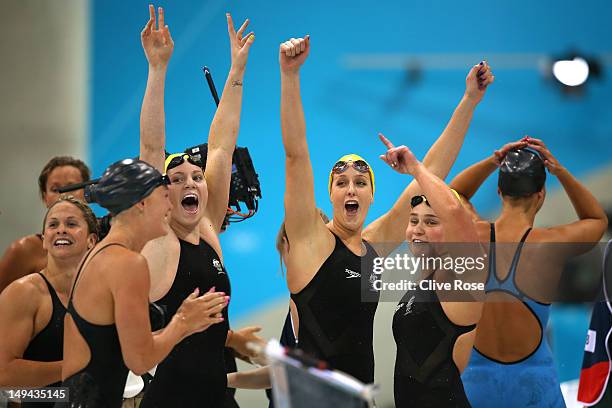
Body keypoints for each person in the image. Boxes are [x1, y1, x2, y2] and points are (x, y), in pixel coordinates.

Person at [279, 34, 494, 383]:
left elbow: (433, 171)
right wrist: (290, 77)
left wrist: (469, 101)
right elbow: (295, 156)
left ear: (371, 196)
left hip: (362, 397)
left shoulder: (372, 246)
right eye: (342, 182)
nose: (351, 188)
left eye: (361, 183)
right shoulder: (311, 243)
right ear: (330, 195)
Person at [136, 6, 263, 407]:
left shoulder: (207, 227)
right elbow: (153, 149)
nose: (191, 181)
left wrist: (237, 71)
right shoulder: (160, 237)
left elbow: (222, 143)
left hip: (217, 393)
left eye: (197, 176)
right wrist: (157, 70)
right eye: (176, 180)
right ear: (162, 196)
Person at [58, 159, 228, 408]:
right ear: (142, 204)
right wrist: (182, 322)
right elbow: (139, 360)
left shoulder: (100, 253)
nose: (169, 205)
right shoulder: (128, 264)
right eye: (164, 197)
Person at [452, 137, 608, 407]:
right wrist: (559, 171)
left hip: (476, 385)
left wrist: (493, 161)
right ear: (541, 195)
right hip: (534, 385)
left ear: (499, 192)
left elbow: (453, 196)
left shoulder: (471, 235)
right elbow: (596, 219)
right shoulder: (551, 244)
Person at [379, 139, 485, 407]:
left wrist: (416, 168)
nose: (417, 229)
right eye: (413, 221)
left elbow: (453, 210)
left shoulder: (463, 277)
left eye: (430, 222)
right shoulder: (426, 278)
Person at [0, 197, 98, 408]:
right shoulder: (24, 293)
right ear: (44, 240)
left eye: (71, 224)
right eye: (53, 224)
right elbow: (4, 377)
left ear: (92, 241)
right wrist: (72, 369)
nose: (61, 230)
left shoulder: (102, 292)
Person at [0, 157, 90, 293]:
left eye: (72, 187)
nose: (64, 195)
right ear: (45, 197)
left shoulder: (104, 244)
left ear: (87, 193)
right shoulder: (24, 250)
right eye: (55, 189)